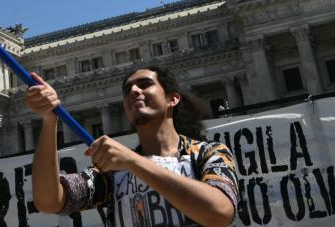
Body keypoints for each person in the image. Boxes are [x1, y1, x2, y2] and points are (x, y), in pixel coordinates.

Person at [25, 66, 238, 227]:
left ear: (172, 99)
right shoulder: (112, 174)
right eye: (128, 90)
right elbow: (49, 201)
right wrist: (49, 121)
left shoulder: (209, 153)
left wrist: (133, 162)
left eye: (145, 84)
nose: (134, 91)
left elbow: (220, 213)